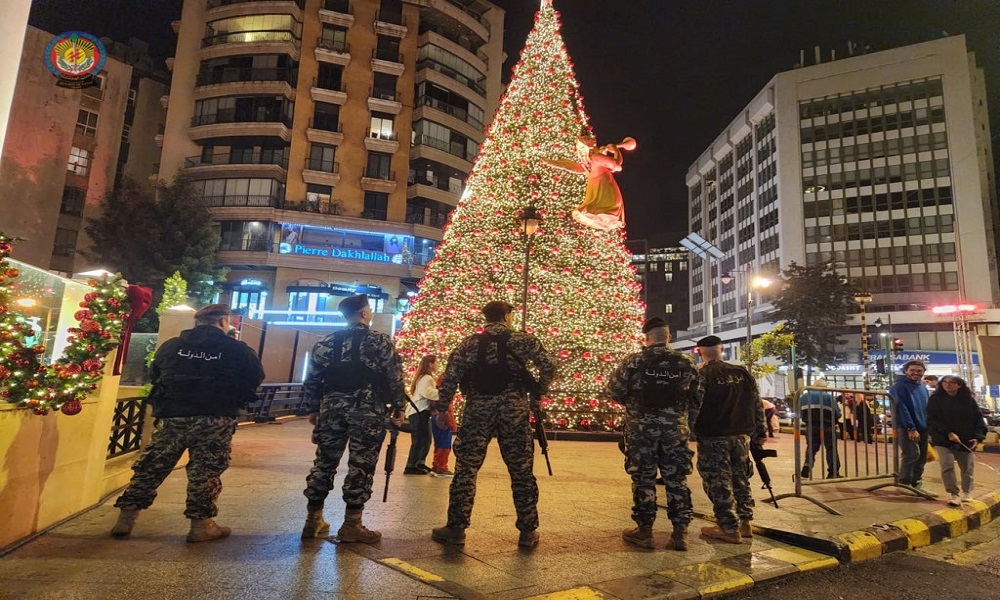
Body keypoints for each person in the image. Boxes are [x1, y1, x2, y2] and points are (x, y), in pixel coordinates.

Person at [111, 304, 265, 542]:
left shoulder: (171, 347)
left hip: (173, 415)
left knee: (153, 465)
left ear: (196, 322)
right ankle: (201, 525)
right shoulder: (238, 350)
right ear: (224, 322)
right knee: (206, 471)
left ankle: (126, 519)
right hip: (215, 416)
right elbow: (255, 377)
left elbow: (156, 374)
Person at [431, 301, 555, 548]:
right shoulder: (524, 340)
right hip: (514, 412)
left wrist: (443, 408)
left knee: (466, 469)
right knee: (521, 470)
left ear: (485, 317)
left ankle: (456, 529)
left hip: (478, 410)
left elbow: (451, 377)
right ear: (507, 316)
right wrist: (538, 393)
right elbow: (549, 365)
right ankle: (528, 531)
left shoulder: (469, 343)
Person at [300, 294, 406, 543]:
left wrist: (314, 409)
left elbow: (312, 379)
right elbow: (394, 376)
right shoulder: (378, 340)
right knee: (361, 465)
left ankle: (312, 520)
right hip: (367, 412)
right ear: (364, 313)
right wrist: (399, 407)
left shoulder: (325, 342)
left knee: (324, 463)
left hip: (332, 411)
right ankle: (352, 525)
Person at [609, 317, 703, 551]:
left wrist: (636, 408)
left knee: (643, 479)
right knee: (676, 479)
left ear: (647, 337)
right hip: (675, 431)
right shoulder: (686, 362)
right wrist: (681, 420)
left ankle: (645, 531)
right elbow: (697, 398)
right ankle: (680, 533)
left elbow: (615, 391)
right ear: (668, 336)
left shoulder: (633, 361)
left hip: (642, 432)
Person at [693, 336, 767, 544]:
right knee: (740, 478)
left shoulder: (702, 375)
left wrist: (687, 430)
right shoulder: (742, 373)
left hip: (713, 436)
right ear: (721, 349)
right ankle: (745, 522)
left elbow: (694, 407)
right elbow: (756, 404)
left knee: (718, 481)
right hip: (741, 436)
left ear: (700, 352)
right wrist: (760, 432)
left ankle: (728, 527)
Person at [541, 135, 635, 231]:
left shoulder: (593, 159)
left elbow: (618, 166)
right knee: (596, 212)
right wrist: (615, 150)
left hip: (604, 190)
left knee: (599, 211)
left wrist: (615, 150)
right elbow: (571, 166)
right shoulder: (592, 160)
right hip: (600, 189)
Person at [927, 375, 987, 506]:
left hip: (965, 440)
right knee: (947, 465)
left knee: (967, 468)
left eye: (952, 382)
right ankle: (953, 493)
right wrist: (948, 433)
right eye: (945, 382)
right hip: (943, 440)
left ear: (959, 385)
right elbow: (933, 420)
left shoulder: (968, 400)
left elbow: (978, 419)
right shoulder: (935, 399)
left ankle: (967, 492)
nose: (947, 385)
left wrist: (978, 437)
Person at [889, 360, 934, 493]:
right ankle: (904, 483)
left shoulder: (922, 387)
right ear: (906, 371)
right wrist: (911, 428)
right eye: (912, 370)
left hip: (923, 427)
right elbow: (901, 408)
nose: (916, 373)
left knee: (922, 457)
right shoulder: (898, 387)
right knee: (912, 454)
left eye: (919, 371)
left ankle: (916, 484)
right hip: (907, 428)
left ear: (924, 372)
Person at [403, 355, 437, 475]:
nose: (437, 366)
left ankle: (419, 462)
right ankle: (411, 465)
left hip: (420, 411)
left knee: (426, 439)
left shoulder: (424, 377)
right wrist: (443, 392)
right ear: (430, 364)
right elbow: (427, 393)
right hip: (418, 412)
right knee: (419, 439)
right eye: (435, 363)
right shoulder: (427, 378)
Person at [799, 379, 840, 479]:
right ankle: (833, 472)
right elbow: (837, 413)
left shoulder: (804, 397)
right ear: (824, 387)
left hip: (810, 425)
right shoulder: (829, 397)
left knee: (811, 447)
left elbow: (799, 413)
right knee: (831, 448)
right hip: (827, 426)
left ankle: (807, 465)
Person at [430, 377, 458, 477]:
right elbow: (445, 409)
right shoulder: (444, 395)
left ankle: (436, 465)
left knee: (439, 443)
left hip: (436, 417)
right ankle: (441, 467)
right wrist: (449, 422)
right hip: (443, 419)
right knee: (444, 445)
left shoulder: (436, 392)